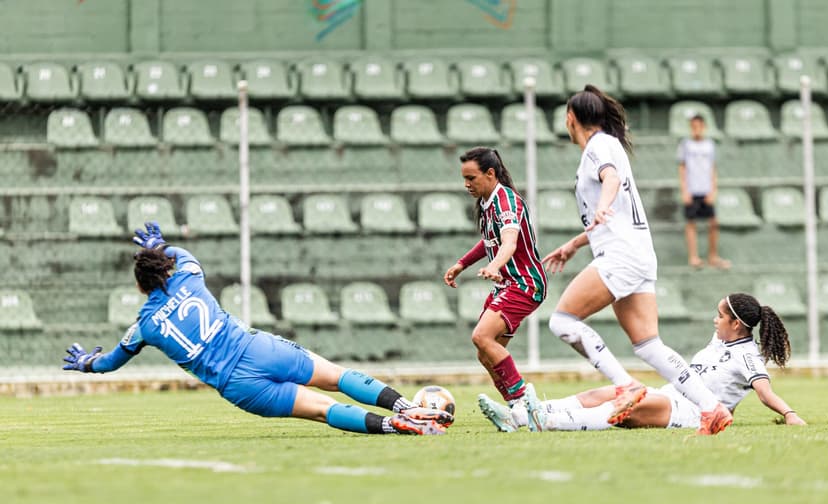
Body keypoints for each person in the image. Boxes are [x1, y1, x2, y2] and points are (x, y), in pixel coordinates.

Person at [62, 222, 453, 436]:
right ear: (165, 270)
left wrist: (87, 364)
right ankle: (411, 407)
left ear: (139, 287)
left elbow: (112, 361)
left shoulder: (143, 327)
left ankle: (398, 426)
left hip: (240, 386)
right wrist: (160, 246)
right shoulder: (189, 277)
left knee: (323, 410)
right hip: (257, 349)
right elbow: (182, 255)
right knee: (335, 377)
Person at [538, 84, 733, 435]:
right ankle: (712, 408)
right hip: (638, 253)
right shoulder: (609, 144)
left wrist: (602, 204)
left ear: (571, 118)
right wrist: (576, 243)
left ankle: (625, 385)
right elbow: (614, 213)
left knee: (563, 322)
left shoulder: (598, 146)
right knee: (648, 344)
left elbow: (609, 180)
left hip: (621, 256)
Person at [479, 293, 806, 432]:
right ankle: (518, 414)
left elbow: (763, 391)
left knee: (626, 410)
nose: (714, 320)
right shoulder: (720, 339)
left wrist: (790, 415)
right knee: (604, 394)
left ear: (736, 324)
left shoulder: (747, 355)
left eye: (719, 316)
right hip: (669, 395)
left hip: (691, 412)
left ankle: (544, 422)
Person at [443, 147, 547, 414]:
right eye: (464, 178)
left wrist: (495, 265)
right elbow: (489, 241)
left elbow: (509, 242)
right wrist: (461, 264)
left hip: (525, 283)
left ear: (490, 173)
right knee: (485, 352)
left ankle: (525, 402)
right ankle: (515, 408)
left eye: (472, 178)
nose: (467, 184)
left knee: (481, 337)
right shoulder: (488, 203)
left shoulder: (506, 202)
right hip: (508, 285)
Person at [677, 113, 730, 269]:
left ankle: (713, 256)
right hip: (692, 189)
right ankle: (693, 257)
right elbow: (682, 168)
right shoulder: (685, 145)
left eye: (699, 126)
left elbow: (713, 169)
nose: (696, 130)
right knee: (691, 223)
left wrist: (713, 190)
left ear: (704, 127)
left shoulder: (710, 145)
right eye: (693, 126)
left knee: (713, 223)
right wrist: (685, 190)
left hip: (706, 189)